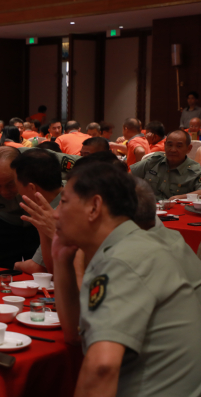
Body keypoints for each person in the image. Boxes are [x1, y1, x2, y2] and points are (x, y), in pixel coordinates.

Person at [51, 162, 201, 397]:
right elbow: (74, 334)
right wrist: (61, 260)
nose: (55, 213)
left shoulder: (124, 259)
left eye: (64, 202)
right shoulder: (132, 245)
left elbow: (101, 368)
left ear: (94, 208)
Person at [10, 149, 63, 274]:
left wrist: (17, 265)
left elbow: (43, 270)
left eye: (17, 185)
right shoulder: (63, 191)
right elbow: (51, 269)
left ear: (31, 188)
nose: (17, 192)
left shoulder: (65, 212)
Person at [131, 130, 201, 200]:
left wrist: (178, 198)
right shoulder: (154, 160)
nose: (173, 150)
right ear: (164, 145)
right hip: (148, 205)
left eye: (179, 146)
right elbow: (128, 178)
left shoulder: (195, 170)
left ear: (189, 148)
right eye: (170, 145)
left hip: (175, 206)